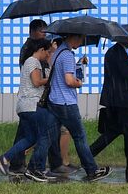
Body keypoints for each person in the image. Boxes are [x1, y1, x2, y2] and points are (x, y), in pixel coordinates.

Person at [45, 34, 110, 181]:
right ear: (73, 37)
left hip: (54, 101)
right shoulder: (67, 55)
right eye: (80, 39)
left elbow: (61, 74)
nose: (81, 42)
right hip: (67, 103)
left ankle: (34, 168)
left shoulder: (58, 53)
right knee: (80, 137)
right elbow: (69, 81)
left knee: (47, 137)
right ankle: (92, 170)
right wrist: (79, 83)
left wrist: (80, 65)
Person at [89, 37, 128, 179]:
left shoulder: (113, 52)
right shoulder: (119, 53)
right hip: (122, 101)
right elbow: (126, 74)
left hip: (114, 100)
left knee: (113, 131)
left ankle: (89, 153)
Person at [0, 37, 56, 181]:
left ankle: (4, 159)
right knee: (46, 134)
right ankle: (36, 169)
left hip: (24, 106)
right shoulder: (33, 61)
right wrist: (52, 78)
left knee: (30, 138)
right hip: (32, 105)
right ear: (40, 50)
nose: (48, 55)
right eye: (47, 52)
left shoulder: (30, 61)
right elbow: (36, 82)